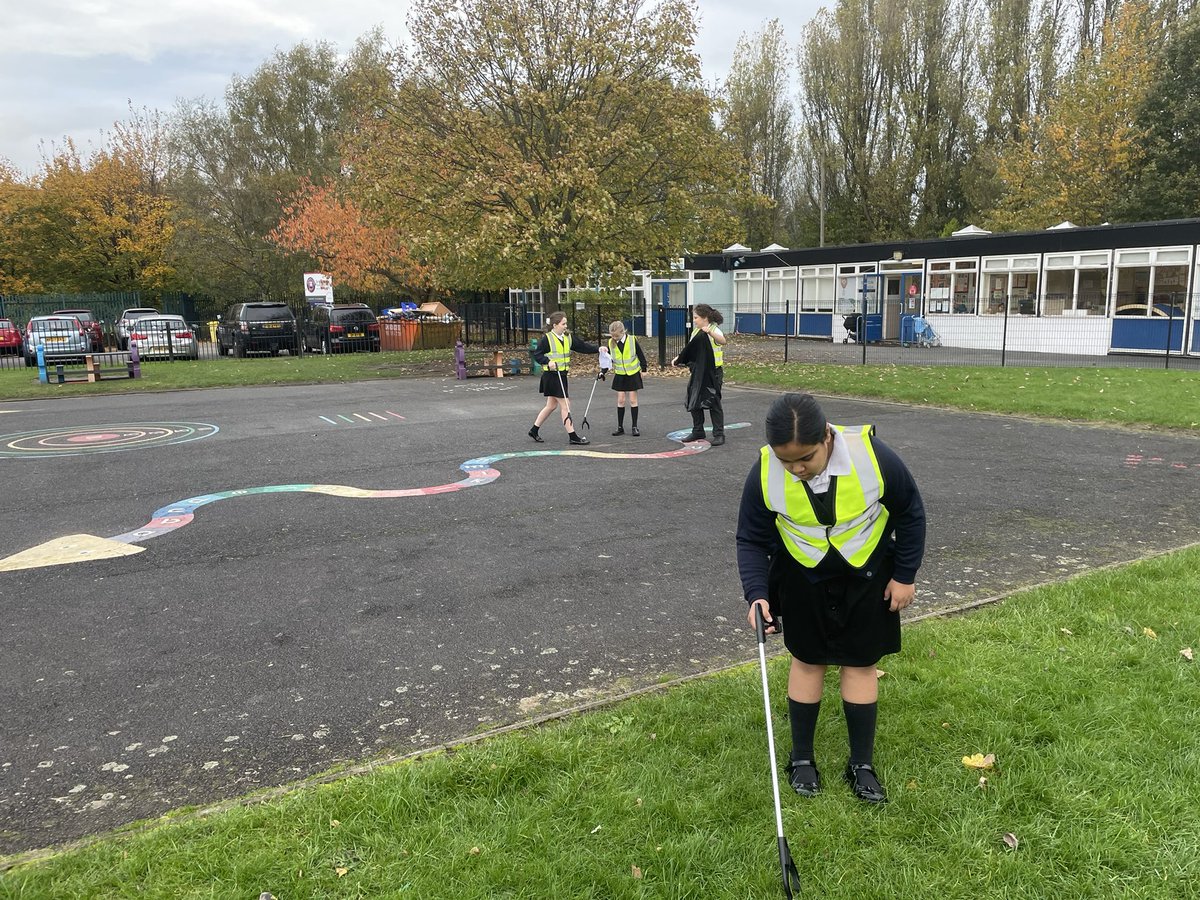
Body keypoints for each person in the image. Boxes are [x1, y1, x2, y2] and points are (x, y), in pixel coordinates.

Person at [736, 393, 926, 804]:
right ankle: (801, 758)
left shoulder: (873, 457)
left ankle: (861, 765)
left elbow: (910, 511)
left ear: (826, 436)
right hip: (802, 576)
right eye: (786, 461)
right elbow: (750, 538)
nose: (796, 469)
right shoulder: (764, 470)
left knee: (860, 664)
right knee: (808, 661)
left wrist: (905, 576)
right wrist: (757, 594)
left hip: (868, 574)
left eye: (805, 458)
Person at [528, 311, 601, 445]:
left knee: (551, 406)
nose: (565, 326)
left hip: (562, 375)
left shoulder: (568, 337)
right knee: (566, 405)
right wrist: (547, 361)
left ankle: (534, 430)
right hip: (552, 376)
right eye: (563, 324)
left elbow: (582, 347)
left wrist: (598, 349)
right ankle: (572, 436)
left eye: (566, 324)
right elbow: (537, 354)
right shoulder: (547, 339)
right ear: (555, 325)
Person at [670, 304, 727, 446]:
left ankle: (719, 434)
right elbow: (691, 349)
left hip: (713, 373)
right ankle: (698, 430)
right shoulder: (695, 332)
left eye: (696, 317)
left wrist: (710, 333)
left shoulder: (714, 329)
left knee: (714, 402)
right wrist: (678, 358)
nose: (694, 320)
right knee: (694, 400)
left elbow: (723, 341)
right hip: (699, 372)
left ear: (705, 318)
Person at [607, 320, 648, 436]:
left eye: (616, 336)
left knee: (633, 400)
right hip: (620, 374)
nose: (614, 338)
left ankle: (634, 426)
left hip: (632, 374)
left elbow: (640, 354)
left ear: (623, 332)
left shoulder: (632, 340)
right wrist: (603, 371)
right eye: (612, 336)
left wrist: (644, 369)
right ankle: (620, 427)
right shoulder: (611, 342)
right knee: (621, 400)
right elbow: (608, 359)